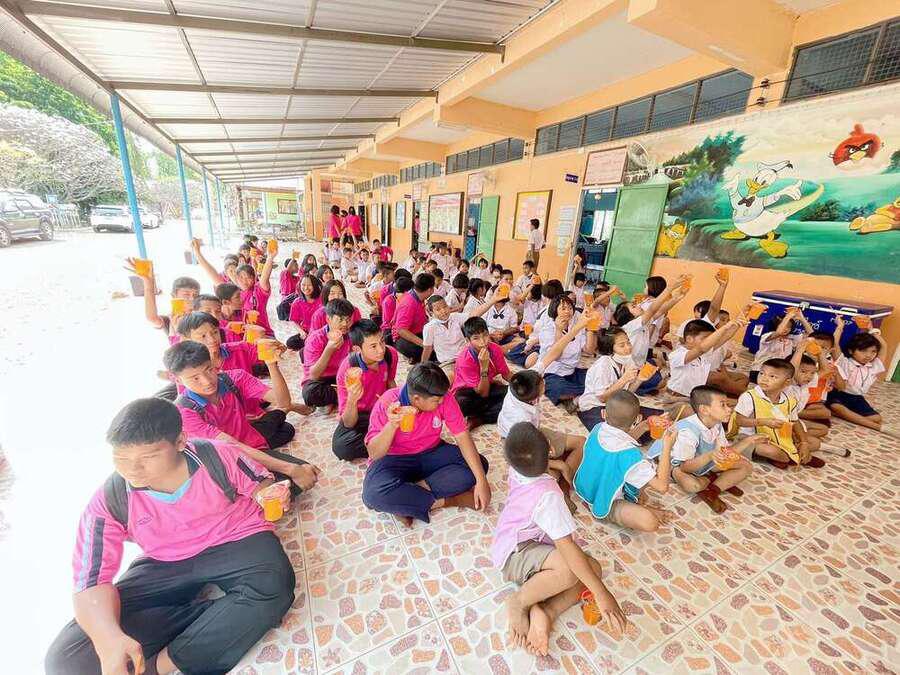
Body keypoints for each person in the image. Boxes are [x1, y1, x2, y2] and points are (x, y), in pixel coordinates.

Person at [43, 399, 297, 675]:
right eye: (121, 458)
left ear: (180, 442)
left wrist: (268, 494)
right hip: (165, 559)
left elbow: (260, 484)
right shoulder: (111, 498)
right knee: (67, 659)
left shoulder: (217, 455)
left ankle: (159, 666)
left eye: (148, 457)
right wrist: (109, 640)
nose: (132, 470)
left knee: (272, 585)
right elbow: (90, 580)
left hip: (235, 538)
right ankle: (228, 616)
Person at [493, 422, 627, 657]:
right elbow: (567, 547)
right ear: (551, 450)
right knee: (570, 570)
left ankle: (546, 611)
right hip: (515, 554)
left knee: (592, 569)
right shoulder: (548, 496)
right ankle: (519, 601)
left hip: (525, 543)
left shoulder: (519, 469)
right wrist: (602, 594)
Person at [164, 341, 318, 495]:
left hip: (251, 446)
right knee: (284, 489)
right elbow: (233, 447)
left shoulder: (233, 379)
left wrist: (271, 364)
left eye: (209, 370)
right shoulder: (183, 412)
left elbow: (283, 402)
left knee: (306, 472)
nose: (207, 381)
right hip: (227, 466)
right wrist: (290, 468)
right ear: (177, 380)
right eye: (195, 378)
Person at [362, 363, 491, 526]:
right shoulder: (388, 402)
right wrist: (392, 425)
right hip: (394, 458)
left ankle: (406, 500)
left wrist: (481, 481)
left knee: (479, 466)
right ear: (417, 399)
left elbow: (462, 435)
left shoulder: (443, 397)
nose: (442, 401)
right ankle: (451, 500)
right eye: (436, 400)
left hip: (432, 452)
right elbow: (374, 453)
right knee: (373, 495)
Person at [647, 386, 758, 513]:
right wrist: (711, 456)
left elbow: (724, 452)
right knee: (693, 485)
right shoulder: (688, 431)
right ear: (704, 410)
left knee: (746, 466)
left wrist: (748, 441)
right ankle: (710, 479)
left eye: (728, 404)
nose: (729, 409)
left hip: (699, 458)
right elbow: (685, 467)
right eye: (723, 405)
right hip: (676, 463)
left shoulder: (716, 423)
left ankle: (712, 491)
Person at [574, 391, 674, 532]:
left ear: (603, 413)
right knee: (650, 522)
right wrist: (666, 447)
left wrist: (645, 426)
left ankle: (635, 503)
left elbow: (621, 439)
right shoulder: (631, 455)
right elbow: (662, 486)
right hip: (606, 502)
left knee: (641, 471)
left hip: (588, 488)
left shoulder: (598, 428)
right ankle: (631, 507)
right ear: (637, 418)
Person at [734, 358, 826, 469]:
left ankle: (788, 455)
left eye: (772, 376)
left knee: (814, 442)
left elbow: (795, 421)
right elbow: (740, 421)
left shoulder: (789, 400)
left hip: (778, 437)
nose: (764, 379)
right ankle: (791, 458)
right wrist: (764, 422)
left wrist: (804, 443)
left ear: (787, 382)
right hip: (750, 438)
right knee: (771, 451)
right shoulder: (749, 396)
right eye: (762, 373)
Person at [332, 319, 398, 461]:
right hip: (361, 416)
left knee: (407, 422)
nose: (381, 350)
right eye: (373, 346)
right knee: (342, 447)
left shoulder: (390, 354)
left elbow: (390, 382)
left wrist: (398, 405)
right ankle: (386, 445)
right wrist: (352, 400)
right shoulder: (348, 370)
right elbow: (348, 423)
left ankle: (385, 443)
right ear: (357, 349)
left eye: (382, 341)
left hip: (382, 410)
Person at [577, 328, 655, 432]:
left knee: (654, 418)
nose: (628, 347)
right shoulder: (603, 364)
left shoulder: (627, 361)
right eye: (622, 345)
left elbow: (625, 394)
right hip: (596, 407)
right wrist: (624, 379)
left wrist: (640, 379)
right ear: (610, 349)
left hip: (616, 405)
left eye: (628, 342)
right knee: (613, 432)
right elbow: (602, 398)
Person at [533, 296, 597, 409]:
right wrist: (558, 330)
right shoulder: (548, 329)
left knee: (595, 378)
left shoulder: (576, 326)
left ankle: (574, 396)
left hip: (572, 371)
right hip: (552, 373)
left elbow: (589, 350)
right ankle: (579, 397)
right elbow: (556, 356)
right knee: (557, 388)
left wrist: (590, 328)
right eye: (563, 308)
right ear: (555, 310)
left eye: (570, 308)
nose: (567, 311)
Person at [451, 317, 511, 428]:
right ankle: (485, 414)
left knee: (513, 395)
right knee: (460, 404)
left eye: (485, 335)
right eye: (476, 338)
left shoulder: (495, 349)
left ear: (489, 334)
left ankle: (479, 419)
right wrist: (484, 367)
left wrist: (521, 385)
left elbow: (506, 374)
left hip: (487, 386)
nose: (483, 342)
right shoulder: (464, 360)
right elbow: (483, 393)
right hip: (468, 392)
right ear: (468, 341)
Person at [666, 315, 747, 399]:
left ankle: (745, 396)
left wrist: (738, 322)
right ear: (689, 339)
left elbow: (725, 337)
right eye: (705, 339)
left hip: (696, 391)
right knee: (721, 384)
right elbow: (701, 348)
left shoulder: (702, 353)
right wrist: (725, 327)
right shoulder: (678, 355)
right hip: (679, 396)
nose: (710, 342)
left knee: (742, 380)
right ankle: (749, 396)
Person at [827, 324, 889, 433]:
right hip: (839, 395)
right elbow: (835, 343)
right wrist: (840, 326)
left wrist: (871, 329)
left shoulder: (874, 366)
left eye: (873, 351)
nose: (868, 355)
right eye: (863, 351)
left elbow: (884, 347)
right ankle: (875, 427)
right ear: (851, 351)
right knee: (837, 407)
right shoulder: (844, 362)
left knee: (877, 418)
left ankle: (845, 416)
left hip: (857, 398)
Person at [125, 258, 200, 345]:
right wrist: (148, 283)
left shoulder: (203, 316)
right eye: (186, 295)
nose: (192, 299)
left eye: (195, 295)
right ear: (174, 296)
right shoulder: (170, 320)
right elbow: (152, 318)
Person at [421, 293, 497, 374]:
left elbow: (474, 314)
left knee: (486, 370)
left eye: (445, 306)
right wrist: (422, 368)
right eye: (438, 309)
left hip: (466, 356)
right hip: (448, 363)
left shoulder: (455, 317)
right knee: (452, 378)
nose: (443, 311)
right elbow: (427, 349)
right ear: (431, 312)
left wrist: (493, 300)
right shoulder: (429, 328)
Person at [301, 298, 354, 409]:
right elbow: (314, 375)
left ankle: (336, 397)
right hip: (320, 379)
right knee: (310, 393)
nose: (345, 324)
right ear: (328, 319)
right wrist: (328, 350)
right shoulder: (315, 338)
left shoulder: (352, 335)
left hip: (342, 376)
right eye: (340, 320)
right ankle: (341, 396)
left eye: (348, 320)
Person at [749, 308, 812, 383]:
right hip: (760, 372)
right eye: (784, 326)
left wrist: (801, 318)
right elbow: (779, 332)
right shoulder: (767, 336)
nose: (786, 329)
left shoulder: (792, 338)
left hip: (779, 373)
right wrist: (788, 316)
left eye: (789, 327)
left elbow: (811, 335)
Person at [393, 272, 435, 362]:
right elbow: (401, 330)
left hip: (418, 331)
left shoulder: (418, 297)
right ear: (429, 290)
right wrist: (424, 344)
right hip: (403, 339)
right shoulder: (409, 303)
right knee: (431, 352)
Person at [235, 256, 275, 338]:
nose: (244, 281)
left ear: (254, 278)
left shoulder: (258, 291)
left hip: (264, 336)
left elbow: (264, 278)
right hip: (246, 338)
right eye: (241, 277)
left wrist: (270, 258)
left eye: (248, 277)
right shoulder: (235, 295)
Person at [286, 274, 323, 352]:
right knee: (290, 342)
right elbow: (294, 321)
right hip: (306, 333)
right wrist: (301, 332)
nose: (306, 288)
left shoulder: (322, 300)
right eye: (303, 285)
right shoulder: (297, 302)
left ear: (315, 286)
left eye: (309, 285)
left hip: (320, 332)